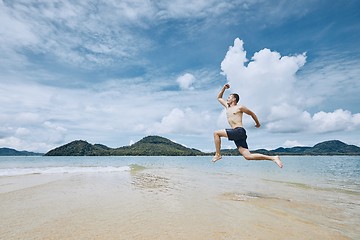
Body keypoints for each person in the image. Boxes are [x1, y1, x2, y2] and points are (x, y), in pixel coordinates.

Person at [212, 83, 283, 168]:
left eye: (229, 97)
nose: (227, 99)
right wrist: (224, 88)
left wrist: (257, 123)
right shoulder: (227, 107)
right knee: (248, 156)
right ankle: (273, 158)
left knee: (216, 133)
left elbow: (252, 114)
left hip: (239, 131)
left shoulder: (240, 107)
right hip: (237, 135)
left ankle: (218, 154)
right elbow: (219, 98)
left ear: (234, 99)